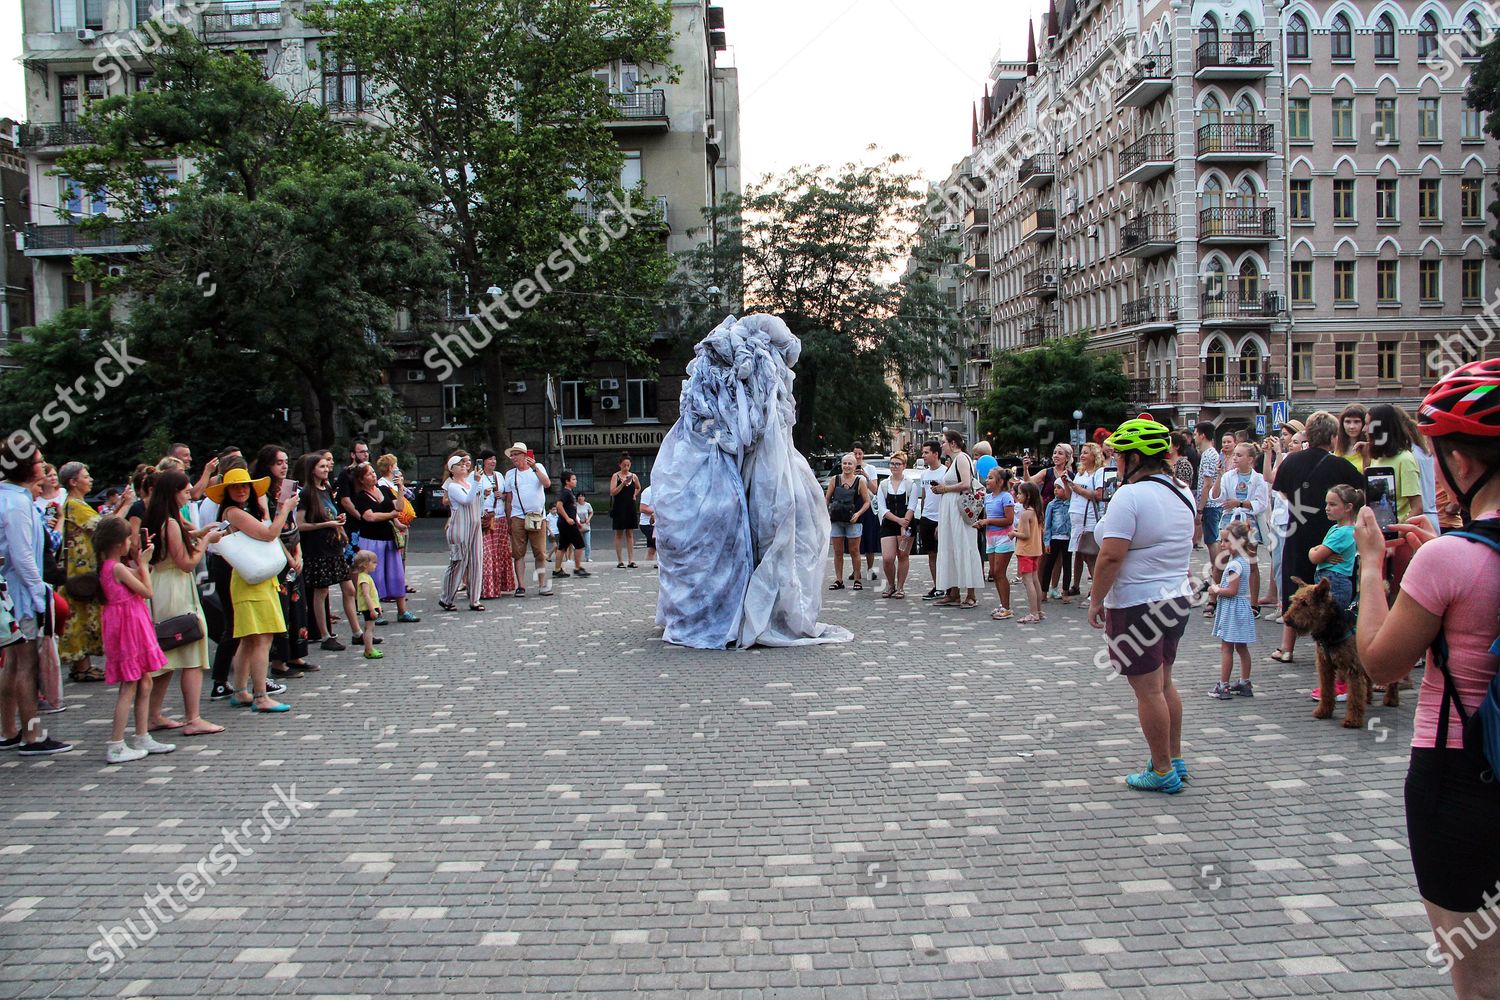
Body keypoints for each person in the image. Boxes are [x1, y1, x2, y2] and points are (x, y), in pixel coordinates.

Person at [1353, 357, 1500, 998]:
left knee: (1479, 977)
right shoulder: (1451, 554)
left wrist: (1371, 567)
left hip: (1461, 778)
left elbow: (1380, 662)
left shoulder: (1448, 558)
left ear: (1463, 467)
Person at [1088, 415, 1197, 794]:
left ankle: (1162, 770)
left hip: (1137, 603)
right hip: (1176, 597)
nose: (1115, 462)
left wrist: (1095, 600)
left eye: (1119, 456)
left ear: (1134, 458)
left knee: (1149, 690)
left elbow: (1111, 556)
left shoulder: (1130, 496)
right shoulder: (1182, 490)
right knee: (1165, 683)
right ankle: (1174, 759)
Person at [1269, 411, 1365, 664]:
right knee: (1328, 592)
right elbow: (1360, 492)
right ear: (1333, 437)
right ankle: (1335, 647)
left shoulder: (1291, 461)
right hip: (1329, 536)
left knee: (1296, 587)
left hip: (1297, 531)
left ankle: (1286, 648)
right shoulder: (1341, 465)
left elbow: (1284, 493)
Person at [0, 441, 72, 755]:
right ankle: (31, 736)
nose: (44, 466)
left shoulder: (9, 497)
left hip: (13, 591)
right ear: (27, 467)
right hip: (20, 593)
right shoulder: (16, 503)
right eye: (40, 461)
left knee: (13, 664)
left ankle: (9, 731)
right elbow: (23, 556)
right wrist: (38, 594)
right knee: (25, 663)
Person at [144, 470, 224, 736]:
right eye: (185, 491)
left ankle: (153, 715)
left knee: (167, 653)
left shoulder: (160, 517)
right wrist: (205, 543)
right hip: (176, 588)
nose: (189, 495)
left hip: (161, 586)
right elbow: (186, 563)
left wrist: (200, 533)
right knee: (191, 651)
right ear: (173, 492)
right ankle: (193, 718)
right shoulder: (171, 522)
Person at [212, 468, 296, 713]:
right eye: (236, 487)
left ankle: (240, 691)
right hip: (253, 581)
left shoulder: (235, 512)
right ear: (227, 491)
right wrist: (285, 510)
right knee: (262, 638)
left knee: (250, 640)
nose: (241, 490)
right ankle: (260, 695)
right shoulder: (235, 512)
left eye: (245, 486)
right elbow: (270, 533)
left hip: (252, 578)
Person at [93, 517, 174, 764]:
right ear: (119, 543)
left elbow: (139, 575)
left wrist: (142, 562)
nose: (131, 542)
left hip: (130, 624)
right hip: (129, 627)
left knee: (145, 680)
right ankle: (116, 744)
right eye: (129, 539)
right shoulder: (115, 568)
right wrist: (143, 563)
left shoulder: (110, 566)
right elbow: (147, 591)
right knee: (130, 684)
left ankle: (142, 735)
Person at [252, 446, 314, 680]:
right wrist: (288, 557)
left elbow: (292, 522)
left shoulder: (288, 487)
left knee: (298, 606)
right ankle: (279, 661)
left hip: (292, 547)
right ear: (267, 464)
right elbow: (271, 527)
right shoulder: (261, 491)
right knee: (282, 606)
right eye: (278, 462)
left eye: (286, 461)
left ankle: (297, 655)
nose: (284, 466)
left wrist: (298, 553)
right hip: (276, 552)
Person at [295, 452, 358, 653]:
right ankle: (324, 635)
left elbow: (330, 512)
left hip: (334, 546)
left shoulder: (327, 488)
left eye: (326, 466)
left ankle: (357, 632)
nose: (326, 469)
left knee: (349, 589)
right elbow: (301, 525)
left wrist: (338, 524)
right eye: (321, 466)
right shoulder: (306, 493)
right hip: (317, 548)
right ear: (312, 469)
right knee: (321, 591)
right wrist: (327, 524)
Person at [56, 462, 113, 684]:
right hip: (79, 573)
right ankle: (81, 667)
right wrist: (125, 505)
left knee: (82, 617)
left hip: (79, 571)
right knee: (79, 618)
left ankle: (84, 665)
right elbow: (104, 528)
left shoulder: (72, 504)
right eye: (85, 476)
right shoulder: (75, 505)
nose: (90, 479)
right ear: (73, 482)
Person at [350, 462, 419, 622]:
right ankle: (375, 611)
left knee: (397, 575)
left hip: (389, 539)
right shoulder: (360, 496)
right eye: (369, 474)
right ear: (361, 479)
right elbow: (369, 516)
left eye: (373, 472)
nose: (373, 475)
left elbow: (399, 507)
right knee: (375, 577)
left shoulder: (384, 489)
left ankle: (402, 611)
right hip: (371, 540)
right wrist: (391, 515)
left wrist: (400, 488)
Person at [1211, 442, 1269, 612]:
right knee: (1221, 560)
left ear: (1250, 459)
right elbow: (1217, 497)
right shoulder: (1229, 476)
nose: (1235, 458)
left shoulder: (1258, 479)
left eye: (1239, 455)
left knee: (1251, 562)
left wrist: (1241, 503)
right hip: (1230, 520)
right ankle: (1213, 600)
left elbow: (1262, 503)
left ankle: (1254, 603)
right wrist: (1219, 476)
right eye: (1234, 455)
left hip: (1248, 521)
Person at [930, 430, 983, 608]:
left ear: (953, 443)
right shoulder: (954, 461)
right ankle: (953, 592)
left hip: (959, 509)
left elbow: (966, 483)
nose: (942, 445)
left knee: (963, 545)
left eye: (944, 442)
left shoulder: (961, 458)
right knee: (951, 547)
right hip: (950, 509)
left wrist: (944, 489)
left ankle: (971, 594)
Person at [1208, 520, 1257, 700]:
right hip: (1241, 607)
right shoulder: (1244, 561)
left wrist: (1216, 590)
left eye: (1227, 541)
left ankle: (1223, 685)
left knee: (1226, 648)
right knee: (1241, 647)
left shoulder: (1233, 565)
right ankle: (1244, 682)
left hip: (1233, 608)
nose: (1222, 545)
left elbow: (1232, 591)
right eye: (1222, 541)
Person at [1260, 419, 1305, 615]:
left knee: (1288, 564)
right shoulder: (1285, 457)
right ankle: (1281, 603)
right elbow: (1268, 477)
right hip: (1278, 518)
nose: (1285, 440)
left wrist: (1278, 453)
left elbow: (1281, 480)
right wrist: (1268, 454)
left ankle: (1287, 605)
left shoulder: (1300, 460)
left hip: (1291, 518)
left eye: (1290, 437)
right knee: (1278, 563)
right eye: (1286, 437)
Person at [439, 452, 488, 611]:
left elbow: (478, 500)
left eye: (464, 464)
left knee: (476, 561)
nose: (463, 466)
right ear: (452, 469)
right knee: (458, 562)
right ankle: (446, 598)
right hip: (459, 528)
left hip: (474, 526)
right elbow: (466, 501)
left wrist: (481, 488)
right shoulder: (452, 486)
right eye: (459, 465)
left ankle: (475, 599)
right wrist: (476, 482)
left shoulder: (469, 482)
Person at [502, 443, 552, 597]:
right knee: (518, 553)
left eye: (517, 454)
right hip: (518, 517)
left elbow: (547, 484)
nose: (514, 457)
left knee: (540, 553)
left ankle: (542, 584)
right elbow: (509, 499)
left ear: (525, 455)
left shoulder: (538, 467)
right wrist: (508, 519)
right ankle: (521, 586)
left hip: (537, 516)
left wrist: (535, 467)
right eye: (512, 455)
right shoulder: (510, 474)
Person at [1061, 442, 1106, 599]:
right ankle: (1085, 586)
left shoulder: (1099, 472)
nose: (1082, 455)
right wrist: (1068, 484)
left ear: (1094, 455)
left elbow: (1100, 495)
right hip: (1077, 517)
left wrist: (1078, 489)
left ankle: (1096, 590)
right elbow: (1070, 495)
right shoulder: (1080, 472)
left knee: (1091, 554)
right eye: (1082, 452)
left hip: (1090, 518)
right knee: (1082, 554)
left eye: (1086, 452)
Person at [473, 450, 516, 601]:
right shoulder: (477, 476)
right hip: (486, 516)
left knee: (501, 552)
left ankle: (501, 585)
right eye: (490, 459)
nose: (493, 461)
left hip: (500, 516)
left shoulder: (499, 476)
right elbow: (472, 495)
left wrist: (502, 496)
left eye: (494, 459)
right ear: (483, 461)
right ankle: (487, 588)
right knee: (487, 554)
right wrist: (483, 494)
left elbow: (507, 495)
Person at [825, 453, 870, 591]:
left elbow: (867, 501)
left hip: (853, 521)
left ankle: (857, 579)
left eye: (850, 464)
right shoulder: (835, 479)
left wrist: (858, 514)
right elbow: (827, 498)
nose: (847, 466)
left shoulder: (860, 481)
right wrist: (826, 513)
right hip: (837, 519)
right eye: (844, 463)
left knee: (854, 551)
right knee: (838, 551)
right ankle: (839, 579)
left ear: (855, 465)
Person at [876, 451, 917, 598]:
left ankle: (900, 587)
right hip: (889, 523)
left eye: (898, 464)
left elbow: (911, 506)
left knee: (903, 555)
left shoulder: (910, 484)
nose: (894, 466)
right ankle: (890, 584)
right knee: (887, 558)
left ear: (904, 466)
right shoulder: (884, 485)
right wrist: (897, 520)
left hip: (906, 524)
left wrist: (904, 524)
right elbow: (882, 508)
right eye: (892, 463)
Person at [1191, 422, 1223, 611]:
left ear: (1202, 435)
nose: (1194, 437)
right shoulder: (1209, 454)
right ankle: (1215, 573)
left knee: (1212, 540)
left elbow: (1207, 484)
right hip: (1210, 504)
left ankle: (1216, 574)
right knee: (1212, 539)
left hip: (1210, 505)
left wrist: (1200, 508)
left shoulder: (1209, 455)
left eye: (1196, 433)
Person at [980, 466, 1015, 619]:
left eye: (991, 478)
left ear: (1000, 482)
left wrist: (988, 521)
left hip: (1004, 537)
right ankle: (1002, 604)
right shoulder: (987, 498)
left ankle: (1007, 607)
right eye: (987, 477)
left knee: (1000, 573)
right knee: (994, 572)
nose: (987, 480)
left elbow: (1009, 520)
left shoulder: (1006, 497)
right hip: (991, 537)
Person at [1011, 481, 1045, 624]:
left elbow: (1025, 535)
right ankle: (1038, 610)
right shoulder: (1037, 512)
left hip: (1026, 550)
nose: (1017, 496)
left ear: (1028, 496)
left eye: (1020, 493)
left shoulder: (1026, 514)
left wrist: (1013, 533)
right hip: (1036, 550)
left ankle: (1033, 613)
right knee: (1035, 580)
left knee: (1028, 581)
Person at [916, 440, 945, 600]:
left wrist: (941, 522)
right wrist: (922, 515)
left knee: (943, 554)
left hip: (941, 519)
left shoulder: (945, 473)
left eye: (926, 452)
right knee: (931, 554)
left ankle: (947, 585)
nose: (924, 456)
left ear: (936, 454)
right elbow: (925, 495)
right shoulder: (924, 474)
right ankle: (937, 586)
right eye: (923, 452)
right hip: (927, 517)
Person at [851, 444, 882, 583]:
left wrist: (865, 475)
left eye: (860, 454)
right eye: (855, 454)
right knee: (853, 540)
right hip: (853, 505)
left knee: (870, 538)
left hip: (868, 506)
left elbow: (875, 490)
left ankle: (870, 570)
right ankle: (855, 570)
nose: (857, 457)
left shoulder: (871, 468)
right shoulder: (847, 467)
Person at [553, 471, 590, 579]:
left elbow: (571, 509)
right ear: (567, 481)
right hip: (567, 524)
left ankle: (557, 570)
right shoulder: (566, 492)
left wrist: (576, 521)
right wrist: (568, 518)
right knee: (579, 545)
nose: (575, 481)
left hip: (567, 523)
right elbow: (559, 506)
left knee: (562, 547)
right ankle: (578, 568)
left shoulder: (569, 492)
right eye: (573, 479)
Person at [1041, 479, 1073, 601]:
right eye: (1055, 488)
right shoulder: (1052, 505)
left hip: (1067, 538)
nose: (1056, 490)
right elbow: (1047, 524)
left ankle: (1065, 592)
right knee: (1048, 565)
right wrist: (1046, 541)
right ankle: (1044, 592)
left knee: (1067, 565)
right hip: (1054, 537)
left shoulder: (1071, 504)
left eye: (1059, 488)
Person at [609, 453, 641, 568]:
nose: (626, 467)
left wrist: (634, 495)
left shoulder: (634, 476)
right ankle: (620, 560)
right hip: (619, 506)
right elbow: (612, 492)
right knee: (619, 533)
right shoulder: (615, 476)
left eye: (628, 465)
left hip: (630, 506)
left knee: (630, 533)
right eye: (624, 465)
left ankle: (631, 560)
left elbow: (638, 487)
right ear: (620, 465)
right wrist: (623, 483)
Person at [350, 550, 383, 660]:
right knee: (369, 628)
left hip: (371, 606)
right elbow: (366, 595)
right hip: (368, 607)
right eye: (373, 562)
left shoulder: (365, 577)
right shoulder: (364, 578)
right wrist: (372, 609)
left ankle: (369, 648)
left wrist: (377, 606)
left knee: (369, 628)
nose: (376, 565)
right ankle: (368, 649)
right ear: (365, 565)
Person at [1334, 403, 1369, 471]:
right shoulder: (1336, 447)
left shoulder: (1370, 448)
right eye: (1348, 422)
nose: (1352, 426)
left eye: (1356, 421)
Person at [638, 483, 657, 569]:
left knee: (652, 549)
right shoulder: (648, 491)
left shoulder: (660, 491)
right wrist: (658, 511)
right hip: (647, 524)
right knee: (659, 544)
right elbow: (642, 508)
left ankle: (646, 565)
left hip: (656, 523)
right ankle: (660, 563)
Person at [577, 492, 594, 563]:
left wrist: (588, 519)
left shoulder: (587, 505)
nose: (580, 498)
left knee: (587, 543)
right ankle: (577, 557)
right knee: (578, 543)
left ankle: (588, 557)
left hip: (586, 525)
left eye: (582, 496)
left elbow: (591, 512)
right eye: (579, 496)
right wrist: (578, 521)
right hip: (578, 524)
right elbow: (573, 513)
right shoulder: (575, 505)